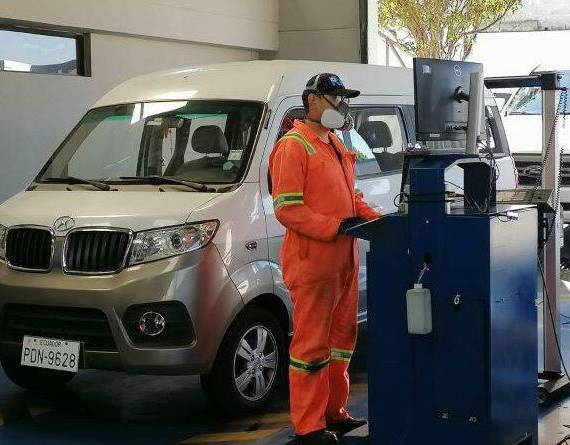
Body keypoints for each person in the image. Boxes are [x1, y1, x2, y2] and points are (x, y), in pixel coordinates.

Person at [269, 73, 381, 444]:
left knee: (341, 341)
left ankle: (334, 412)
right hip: (313, 263)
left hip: (343, 262)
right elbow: (288, 209)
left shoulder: (333, 143)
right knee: (311, 347)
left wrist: (377, 220)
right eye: (335, 98)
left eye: (343, 98)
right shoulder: (294, 146)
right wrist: (336, 227)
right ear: (312, 100)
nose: (341, 105)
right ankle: (309, 426)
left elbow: (351, 199)